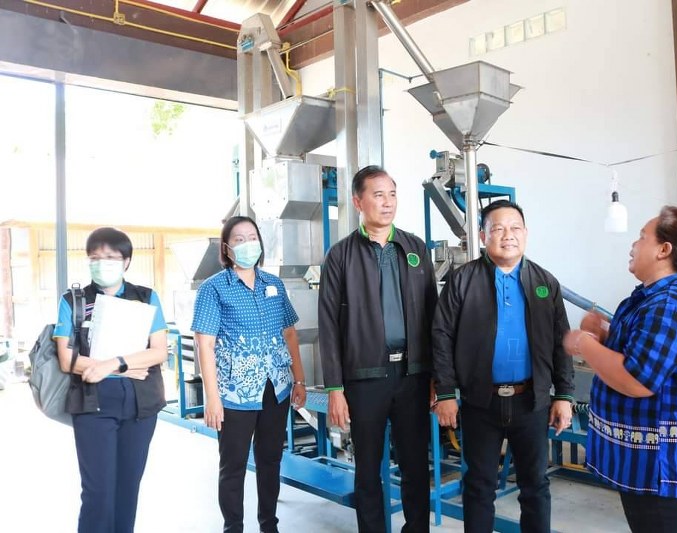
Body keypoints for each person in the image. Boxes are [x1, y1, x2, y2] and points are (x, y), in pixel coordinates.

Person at [563, 206, 677, 533]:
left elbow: (637, 380)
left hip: (656, 462)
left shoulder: (670, 305)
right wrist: (604, 335)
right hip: (640, 460)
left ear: (663, 250)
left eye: (641, 237)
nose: (633, 245)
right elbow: (640, 351)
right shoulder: (649, 298)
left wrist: (584, 344)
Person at [432, 199, 574, 533]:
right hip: (480, 402)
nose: (507, 235)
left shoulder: (545, 282)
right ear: (483, 236)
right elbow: (441, 336)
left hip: (531, 402)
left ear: (526, 233)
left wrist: (564, 395)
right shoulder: (462, 280)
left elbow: (562, 342)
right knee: (479, 485)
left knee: (535, 485)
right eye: (497, 228)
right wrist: (446, 392)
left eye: (515, 228)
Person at [318, 165, 438, 532]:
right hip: (365, 377)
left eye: (392, 194)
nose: (387, 203)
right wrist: (335, 388)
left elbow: (433, 316)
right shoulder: (340, 255)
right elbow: (328, 324)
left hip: (413, 376)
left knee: (416, 465)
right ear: (358, 202)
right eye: (378, 195)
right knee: (368, 468)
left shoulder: (415, 248)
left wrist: (438, 377)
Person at [192, 215, 307, 533]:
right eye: (239, 239)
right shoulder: (214, 289)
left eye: (252, 237)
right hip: (235, 393)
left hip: (275, 387)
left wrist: (299, 379)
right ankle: (234, 528)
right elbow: (205, 344)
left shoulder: (274, 284)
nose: (247, 244)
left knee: (270, 460)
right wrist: (212, 399)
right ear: (226, 249)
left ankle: (269, 525)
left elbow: (289, 333)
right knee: (233, 466)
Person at [53, 227, 169, 533]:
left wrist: (112, 364)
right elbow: (67, 359)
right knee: (98, 493)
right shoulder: (73, 301)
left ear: (126, 261)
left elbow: (158, 351)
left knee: (127, 490)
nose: (101, 263)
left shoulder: (146, 297)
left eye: (110, 257)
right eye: (94, 257)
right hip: (93, 407)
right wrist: (125, 368)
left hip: (141, 407)